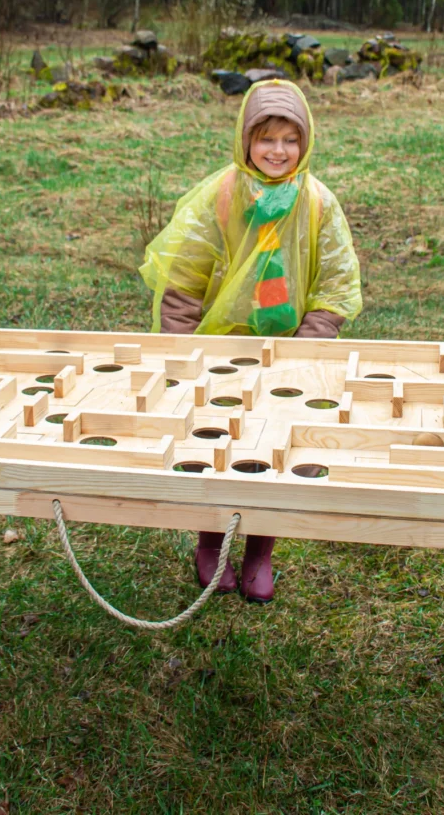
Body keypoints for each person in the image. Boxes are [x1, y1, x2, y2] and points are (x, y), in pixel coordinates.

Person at [139, 79, 362, 602]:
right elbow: (185, 271)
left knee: (278, 446)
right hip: (220, 347)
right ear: (245, 141)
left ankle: (261, 549)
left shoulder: (317, 202)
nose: (278, 152)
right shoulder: (219, 196)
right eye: (266, 139)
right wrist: (182, 341)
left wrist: (311, 340)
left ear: (305, 143)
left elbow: (335, 278)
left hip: (288, 349)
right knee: (214, 438)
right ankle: (210, 542)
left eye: (290, 140)